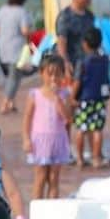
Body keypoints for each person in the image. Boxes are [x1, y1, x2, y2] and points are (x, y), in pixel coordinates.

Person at [22, 53, 73, 199]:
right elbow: (27, 118)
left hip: (57, 140)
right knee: (40, 177)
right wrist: (26, 139)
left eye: (57, 74)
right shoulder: (35, 94)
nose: (53, 78)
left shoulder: (64, 94)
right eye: (49, 74)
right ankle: (37, 209)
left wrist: (58, 100)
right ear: (41, 73)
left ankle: (52, 210)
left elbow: (68, 118)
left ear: (63, 75)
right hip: (40, 141)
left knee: (54, 179)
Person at [0, 0, 32, 114]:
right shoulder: (22, 12)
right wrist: (32, 33)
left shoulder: (2, 10)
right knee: (14, 77)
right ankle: (5, 103)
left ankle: (11, 102)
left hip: (3, 47)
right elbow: (25, 31)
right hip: (16, 48)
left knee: (11, 76)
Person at [73, 27, 110, 168]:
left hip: (84, 99)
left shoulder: (83, 62)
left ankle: (80, 158)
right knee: (97, 129)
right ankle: (96, 158)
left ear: (84, 43)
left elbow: (78, 81)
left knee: (81, 129)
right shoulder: (105, 60)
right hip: (100, 99)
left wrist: (72, 97)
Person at [54, 0, 96, 76]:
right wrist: (65, 63)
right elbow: (61, 43)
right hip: (72, 69)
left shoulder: (90, 16)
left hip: (87, 67)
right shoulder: (65, 16)